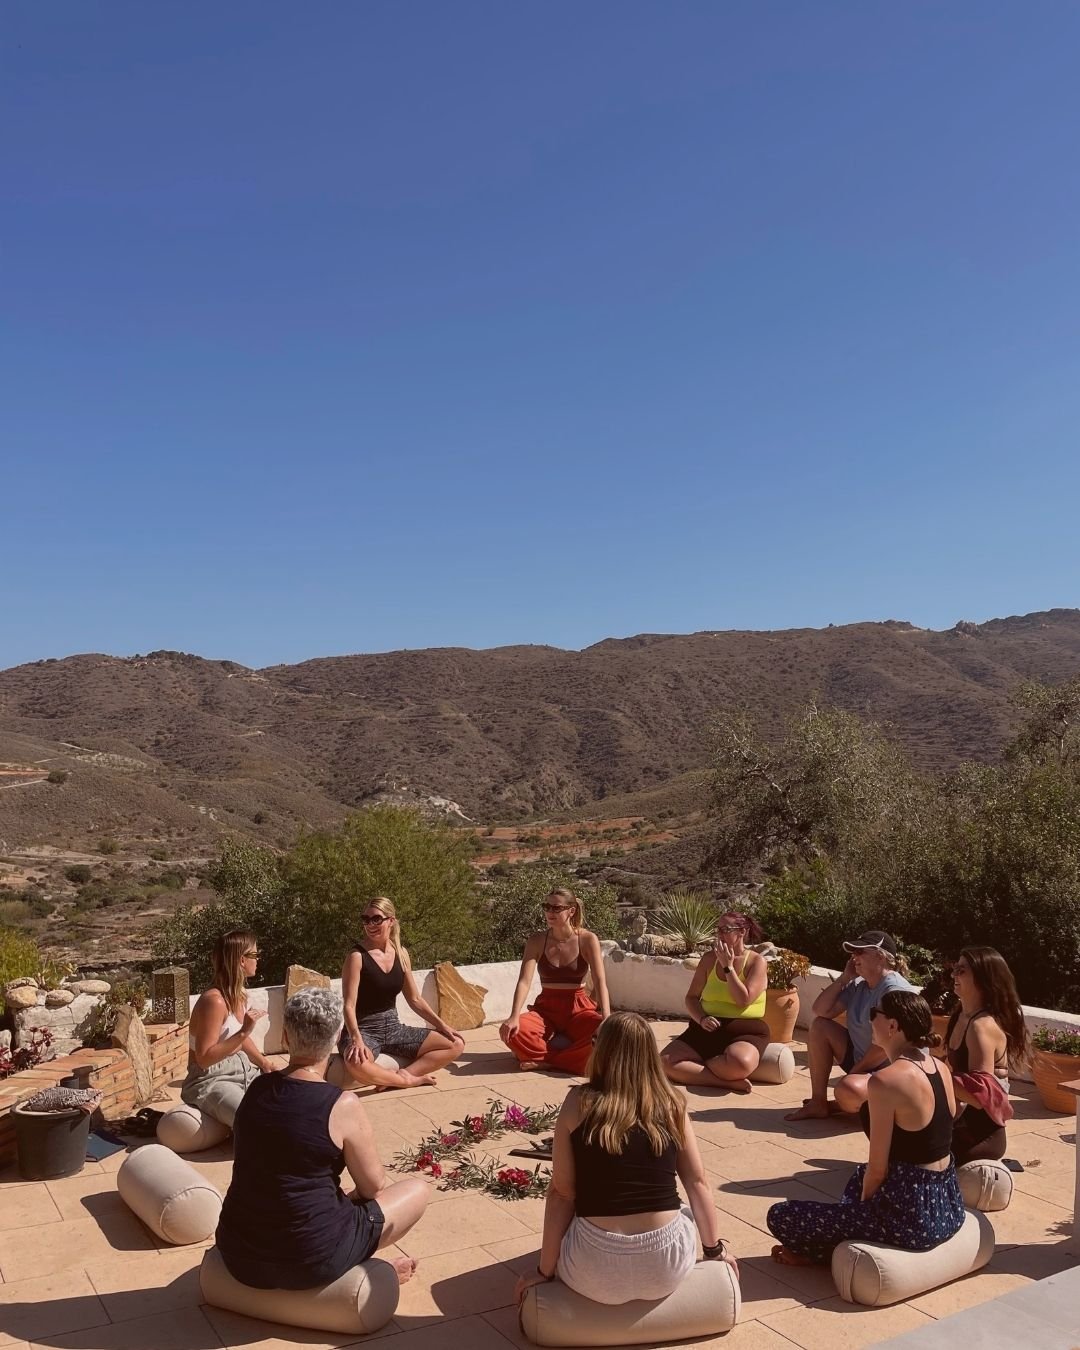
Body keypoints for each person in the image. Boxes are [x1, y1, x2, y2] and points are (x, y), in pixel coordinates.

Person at [514, 1012, 738, 1307]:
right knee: (679, 1208)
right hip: (666, 1267)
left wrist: (544, 1271)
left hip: (592, 1271)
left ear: (601, 1049)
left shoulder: (578, 1101)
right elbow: (698, 1182)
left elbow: (562, 1194)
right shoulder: (672, 1103)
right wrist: (714, 1251)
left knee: (570, 1199)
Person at [216, 986, 429, 1290]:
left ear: (286, 1037)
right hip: (309, 1259)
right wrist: (348, 1199)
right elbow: (372, 1187)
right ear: (336, 1036)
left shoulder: (257, 1090)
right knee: (417, 1190)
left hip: (238, 1253)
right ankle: (362, 1275)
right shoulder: (341, 1104)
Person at [768, 990, 965, 1265]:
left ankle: (821, 1254)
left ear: (893, 1026)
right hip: (947, 1206)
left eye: (875, 1014)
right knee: (857, 1177)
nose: (869, 1021)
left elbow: (878, 1169)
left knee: (781, 1214)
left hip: (912, 1216)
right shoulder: (940, 1067)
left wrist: (863, 1210)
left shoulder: (885, 1081)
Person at [334, 897, 464, 1091]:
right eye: (366, 919)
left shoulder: (401, 954)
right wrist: (356, 1039)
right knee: (355, 1062)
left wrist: (443, 1026)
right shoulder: (356, 957)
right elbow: (349, 1005)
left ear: (391, 921)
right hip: (363, 1029)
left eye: (376, 919)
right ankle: (407, 1081)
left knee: (456, 1044)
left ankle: (404, 1075)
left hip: (393, 1028)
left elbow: (415, 999)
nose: (370, 924)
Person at [785, 930, 914, 1121]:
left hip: (894, 1071)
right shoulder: (861, 986)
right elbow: (821, 1011)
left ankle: (865, 1106)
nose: (854, 958)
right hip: (865, 1063)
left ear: (880, 956)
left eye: (860, 952)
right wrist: (844, 979)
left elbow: (884, 1045)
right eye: (853, 953)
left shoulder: (894, 991)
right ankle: (818, 1103)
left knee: (848, 1091)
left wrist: (854, 1073)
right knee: (820, 1026)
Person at [500, 888, 611, 1074]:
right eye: (546, 907)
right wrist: (513, 1016)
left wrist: (606, 1017)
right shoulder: (536, 941)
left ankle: (546, 1061)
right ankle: (566, 1061)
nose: (550, 912)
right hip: (546, 1008)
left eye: (556, 908)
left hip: (579, 1008)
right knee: (512, 1032)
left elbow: (600, 982)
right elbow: (524, 982)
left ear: (571, 911)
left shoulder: (587, 939)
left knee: (608, 1037)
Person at [660, 911, 770, 1093]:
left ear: (742, 932)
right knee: (664, 1062)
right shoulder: (709, 960)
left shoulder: (756, 962)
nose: (720, 935)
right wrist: (701, 1019)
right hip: (706, 1029)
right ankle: (725, 1081)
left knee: (740, 1064)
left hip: (744, 1032)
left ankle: (702, 1064)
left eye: (726, 929)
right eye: (718, 930)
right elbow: (692, 998)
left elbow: (743, 1000)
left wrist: (728, 967)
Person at [946, 946, 1028, 1164]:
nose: (954, 974)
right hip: (961, 1122)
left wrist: (937, 1075)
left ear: (982, 979)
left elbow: (978, 1096)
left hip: (979, 1136)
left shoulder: (981, 1026)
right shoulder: (960, 1017)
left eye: (962, 970)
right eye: (955, 968)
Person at [182, 928, 272, 1127]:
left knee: (287, 1103)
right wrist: (244, 1031)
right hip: (212, 1079)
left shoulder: (239, 995)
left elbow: (238, 1039)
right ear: (241, 960)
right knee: (252, 1122)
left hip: (241, 1068)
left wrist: (265, 1064)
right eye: (255, 954)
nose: (258, 959)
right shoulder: (214, 1002)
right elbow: (204, 1058)